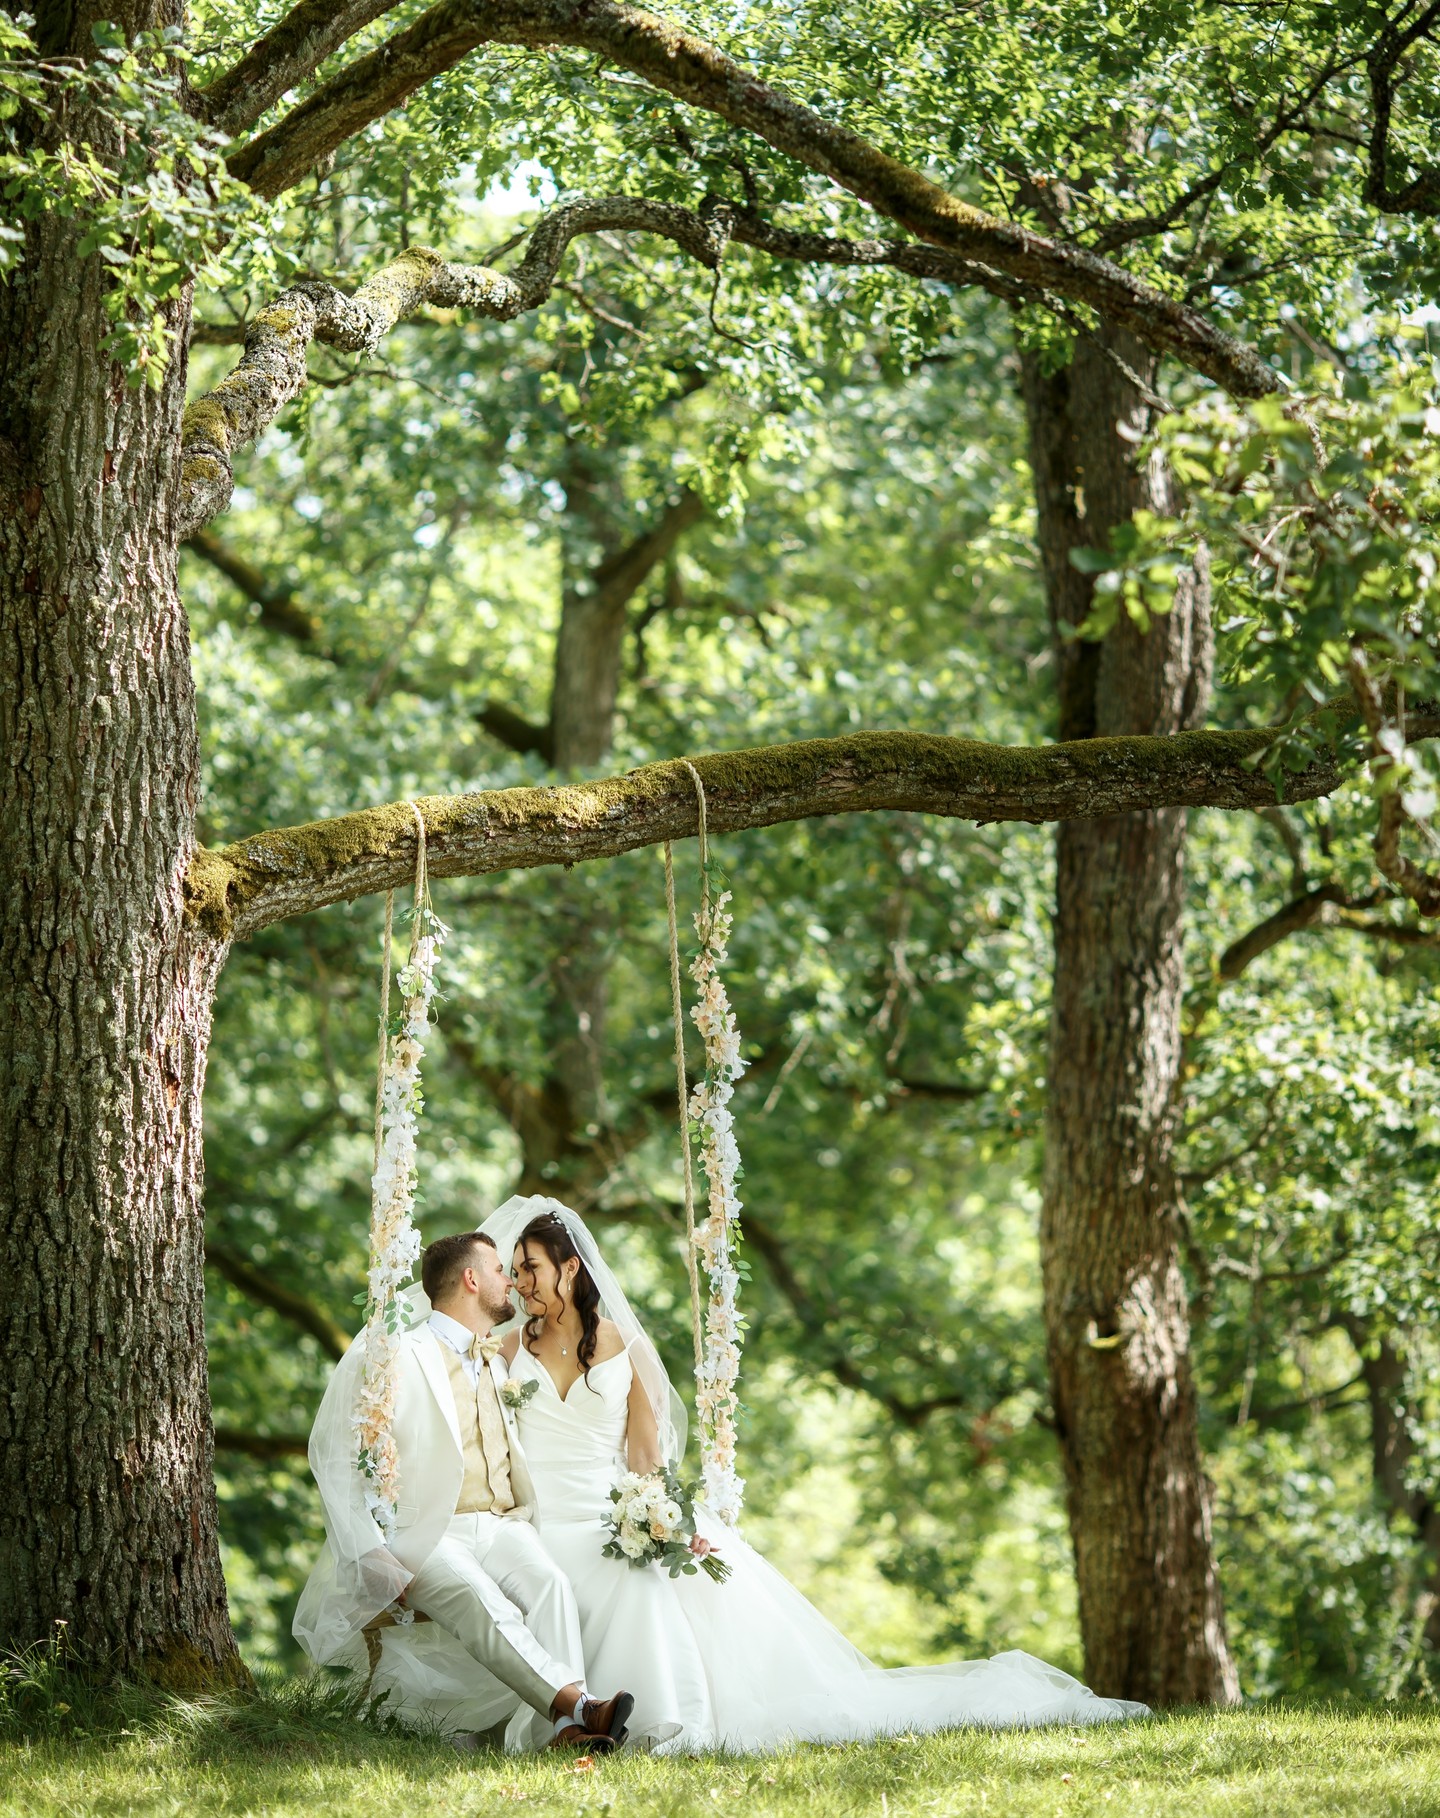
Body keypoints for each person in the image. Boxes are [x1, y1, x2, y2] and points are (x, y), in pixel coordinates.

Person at [480, 1193, 1152, 1752]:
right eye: (513, 1270)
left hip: (610, 1508)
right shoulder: (509, 1347)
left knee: (637, 1576)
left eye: (530, 1267)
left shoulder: (623, 1343)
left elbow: (646, 1451)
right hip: (545, 1515)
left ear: (570, 1268)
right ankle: (576, 1718)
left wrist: (655, 1517)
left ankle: (651, 1718)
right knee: (560, 1570)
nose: (520, 1283)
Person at [292, 1228, 633, 1752]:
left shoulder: (497, 1360)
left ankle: (559, 1735)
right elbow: (337, 1458)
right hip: (429, 1534)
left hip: (501, 1524)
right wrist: (370, 1551)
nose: (512, 1282)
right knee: (480, 1600)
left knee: (551, 1586)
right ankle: (581, 1710)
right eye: (501, 1270)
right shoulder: (398, 1354)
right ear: (472, 1280)